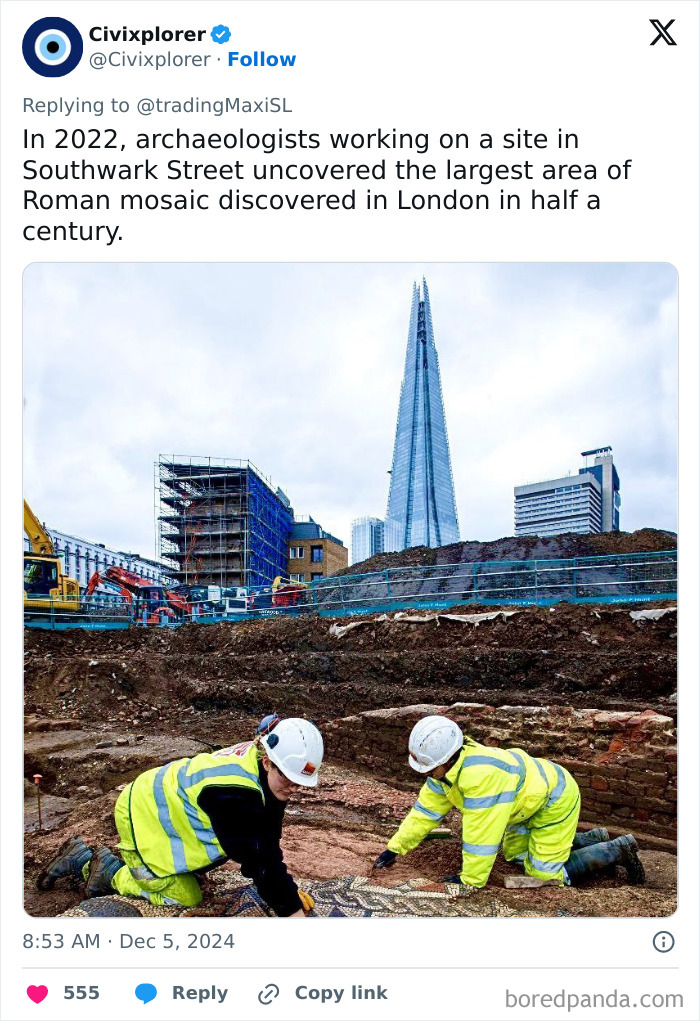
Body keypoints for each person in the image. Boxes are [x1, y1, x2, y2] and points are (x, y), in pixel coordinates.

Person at [38, 715, 323, 916]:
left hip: (161, 804)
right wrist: (290, 910)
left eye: (299, 782)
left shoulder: (265, 771)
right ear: (268, 762)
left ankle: (118, 865)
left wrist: (286, 889)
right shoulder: (235, 793)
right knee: (185, 896)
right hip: (141, 814)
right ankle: (102, 870)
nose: (294, 788)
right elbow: (258, 859)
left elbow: (267, 836)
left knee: (234, 843)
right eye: (289, 778)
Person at [373, 715, 645, 889]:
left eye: (427, 768)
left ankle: (616, 850)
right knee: (515, 856)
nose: (425, 774)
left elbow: (481, 837)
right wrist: (395, 849)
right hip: (524, 804)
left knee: (543, 877)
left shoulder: (480, 778)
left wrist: (470, 881)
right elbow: (424, 813)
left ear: (446, 758)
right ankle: (590, 838)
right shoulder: (444, 774)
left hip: (553, 801)